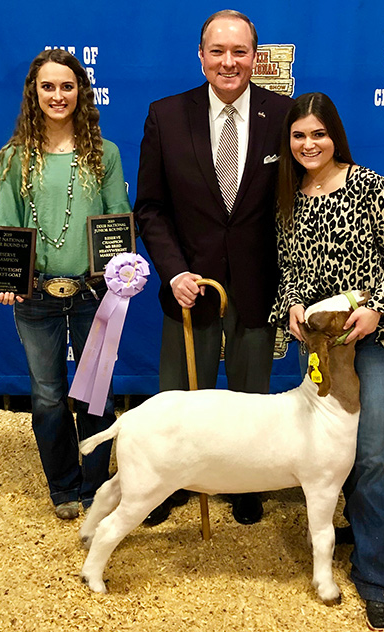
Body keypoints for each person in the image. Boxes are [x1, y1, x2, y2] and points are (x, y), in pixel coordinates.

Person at [270, 92, 384, 630]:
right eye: (298, 136)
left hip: (373, 338)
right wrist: (293, 302)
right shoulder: (289, 196)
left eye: (318, 133)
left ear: (334, 134)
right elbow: (290, 267)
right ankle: (356, 529)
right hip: (319, 345)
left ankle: (378, 575)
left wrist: (377, 309)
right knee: (326, 450)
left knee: (372, 453)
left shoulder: (370, 186)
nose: (308, 144)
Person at [134, 10, 294, 526]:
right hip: (189, 288)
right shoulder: (165, 115)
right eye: (218, 51)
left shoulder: (285, 116)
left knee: (252, 403)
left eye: (239, 51)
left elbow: (295, 204)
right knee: (181, 402)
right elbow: (151, 209)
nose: (229, 62)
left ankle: (245, 484)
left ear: (255, 56)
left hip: (257, 289)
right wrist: (174, 271)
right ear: (201, 56)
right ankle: (168, 484)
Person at [0, 49, 132, 520]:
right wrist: (5, 275)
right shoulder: (15, 157)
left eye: (66, 86)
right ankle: (64, 486)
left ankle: (95, 488)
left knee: (96, 392)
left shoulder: (103, 154)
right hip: (35, 297)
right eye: (47, 86)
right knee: (48, 394)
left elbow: (118, 219)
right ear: (34, 93)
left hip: (94, 294)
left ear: (80, 93)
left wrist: (120, 272)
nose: (57, 95)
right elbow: (4, 220)